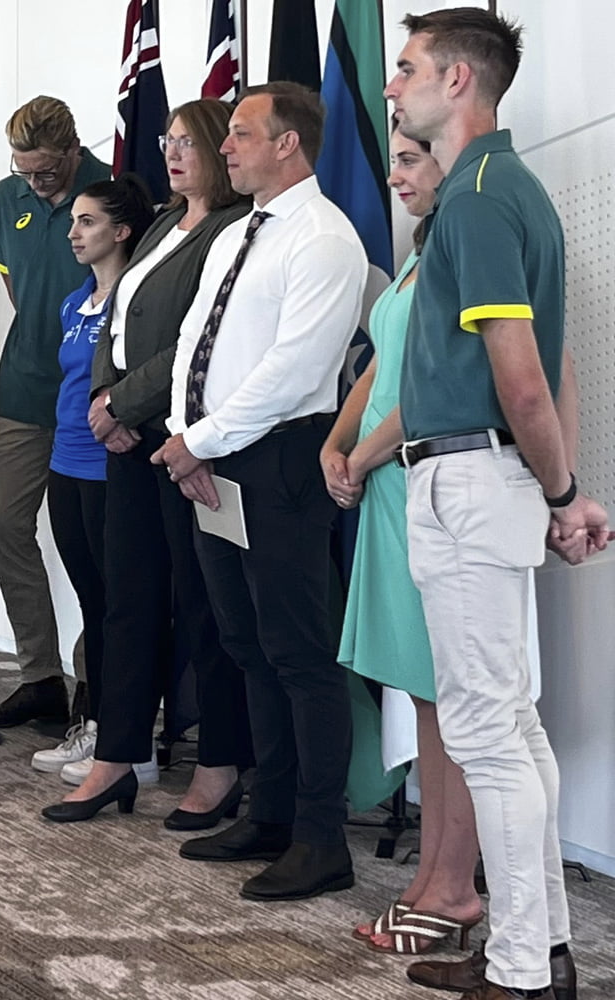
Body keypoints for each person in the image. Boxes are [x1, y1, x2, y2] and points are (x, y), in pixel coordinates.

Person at [387, 10, 607, 998]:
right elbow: (545, 373)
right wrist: (561, 491)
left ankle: (523, 970)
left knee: (486, 730)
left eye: (406, 69)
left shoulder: (477, 197)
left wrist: (564, 493)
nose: (392, 86)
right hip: (487, 477)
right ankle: (539, 949)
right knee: (509, 724)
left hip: (471, 479)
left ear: (458, 81)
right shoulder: (505, 186)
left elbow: (523, 378)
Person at [155, 82, 368, 902]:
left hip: (278, 464)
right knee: (245, 643)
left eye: (241, 133)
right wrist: (187, 439)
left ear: (288, 144)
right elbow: (194, 345)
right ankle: (270, 812)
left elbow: (293, 371)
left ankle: (321, 837)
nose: (225, 146)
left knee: (298, 654)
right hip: (213, 463)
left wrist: (198, 442)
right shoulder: (237, 233)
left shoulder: (325, 238)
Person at [39, 100, 254, 828]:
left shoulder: (232, 230)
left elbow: (199, 338)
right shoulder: (164, 224)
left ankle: (220, 765)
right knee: (127, 602)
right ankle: (117, 756)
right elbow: (116, 316)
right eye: (168, 141)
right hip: (128, 440)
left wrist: (123, 404)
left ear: (221, 149)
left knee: (201, 607)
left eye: (187, 141)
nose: (172, 152)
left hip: (185, 442)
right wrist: (105, 395)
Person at [324, 121, 489, 955]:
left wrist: (361, 455)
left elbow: (436, 382)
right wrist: (336, 441)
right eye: (392, 161)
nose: (396, 176)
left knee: (450, 696)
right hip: (389, 487)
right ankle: (431, 873)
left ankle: (455, 885)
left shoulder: (461, 251)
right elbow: (378, 371)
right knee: (422, 695)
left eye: (412, 160)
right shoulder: (418, 259)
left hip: (421, 479)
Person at [0, 95, 111, 729]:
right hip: (24, 388)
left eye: (47, 171)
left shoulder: (110, 189)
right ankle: (39, 676)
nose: (35, 182)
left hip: (94, 393)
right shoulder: (8, 198)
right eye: (24, 170)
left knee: (94, 547)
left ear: (74, 151)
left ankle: (95, 677)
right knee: (4, 525)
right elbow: (17, 287)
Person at [27, 175, 154, 793]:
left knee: (122, 603)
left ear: (122, 230)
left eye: (87, 222)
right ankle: (98, 720)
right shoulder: (74, 301)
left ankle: (130, 738)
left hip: (112, 466)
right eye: (73, 221)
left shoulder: (135, 299)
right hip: (67, 462)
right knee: (91, 600)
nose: (73, 233)